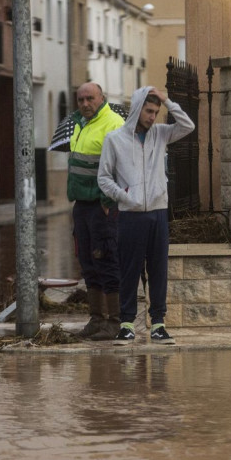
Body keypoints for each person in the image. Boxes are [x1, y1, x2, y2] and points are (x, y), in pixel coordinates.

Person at [97, 86, 195, 345]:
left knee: (158, 269)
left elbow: (188, 126)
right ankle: (127, 324)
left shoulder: (161, 134)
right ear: (137, 108)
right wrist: (124, 196)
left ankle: (158, 325)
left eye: (156, 112)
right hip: (130, 214)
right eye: (149, 111)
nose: (152, 117)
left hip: (158, 212)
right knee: (129, 269)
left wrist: (168, 100)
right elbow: (104, 178)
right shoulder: (114, 139)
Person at [67, 82, 126, 340]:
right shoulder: (80, 124)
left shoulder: (112, 123)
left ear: (102, 98)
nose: (85, 104)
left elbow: (119, 167)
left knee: (106, 259)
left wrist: (106, 201)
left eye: (90, 98)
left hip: (102, 206)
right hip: (82, 205)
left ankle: (115, 321)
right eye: (80, 100)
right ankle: (96, 319)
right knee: (88, 263)